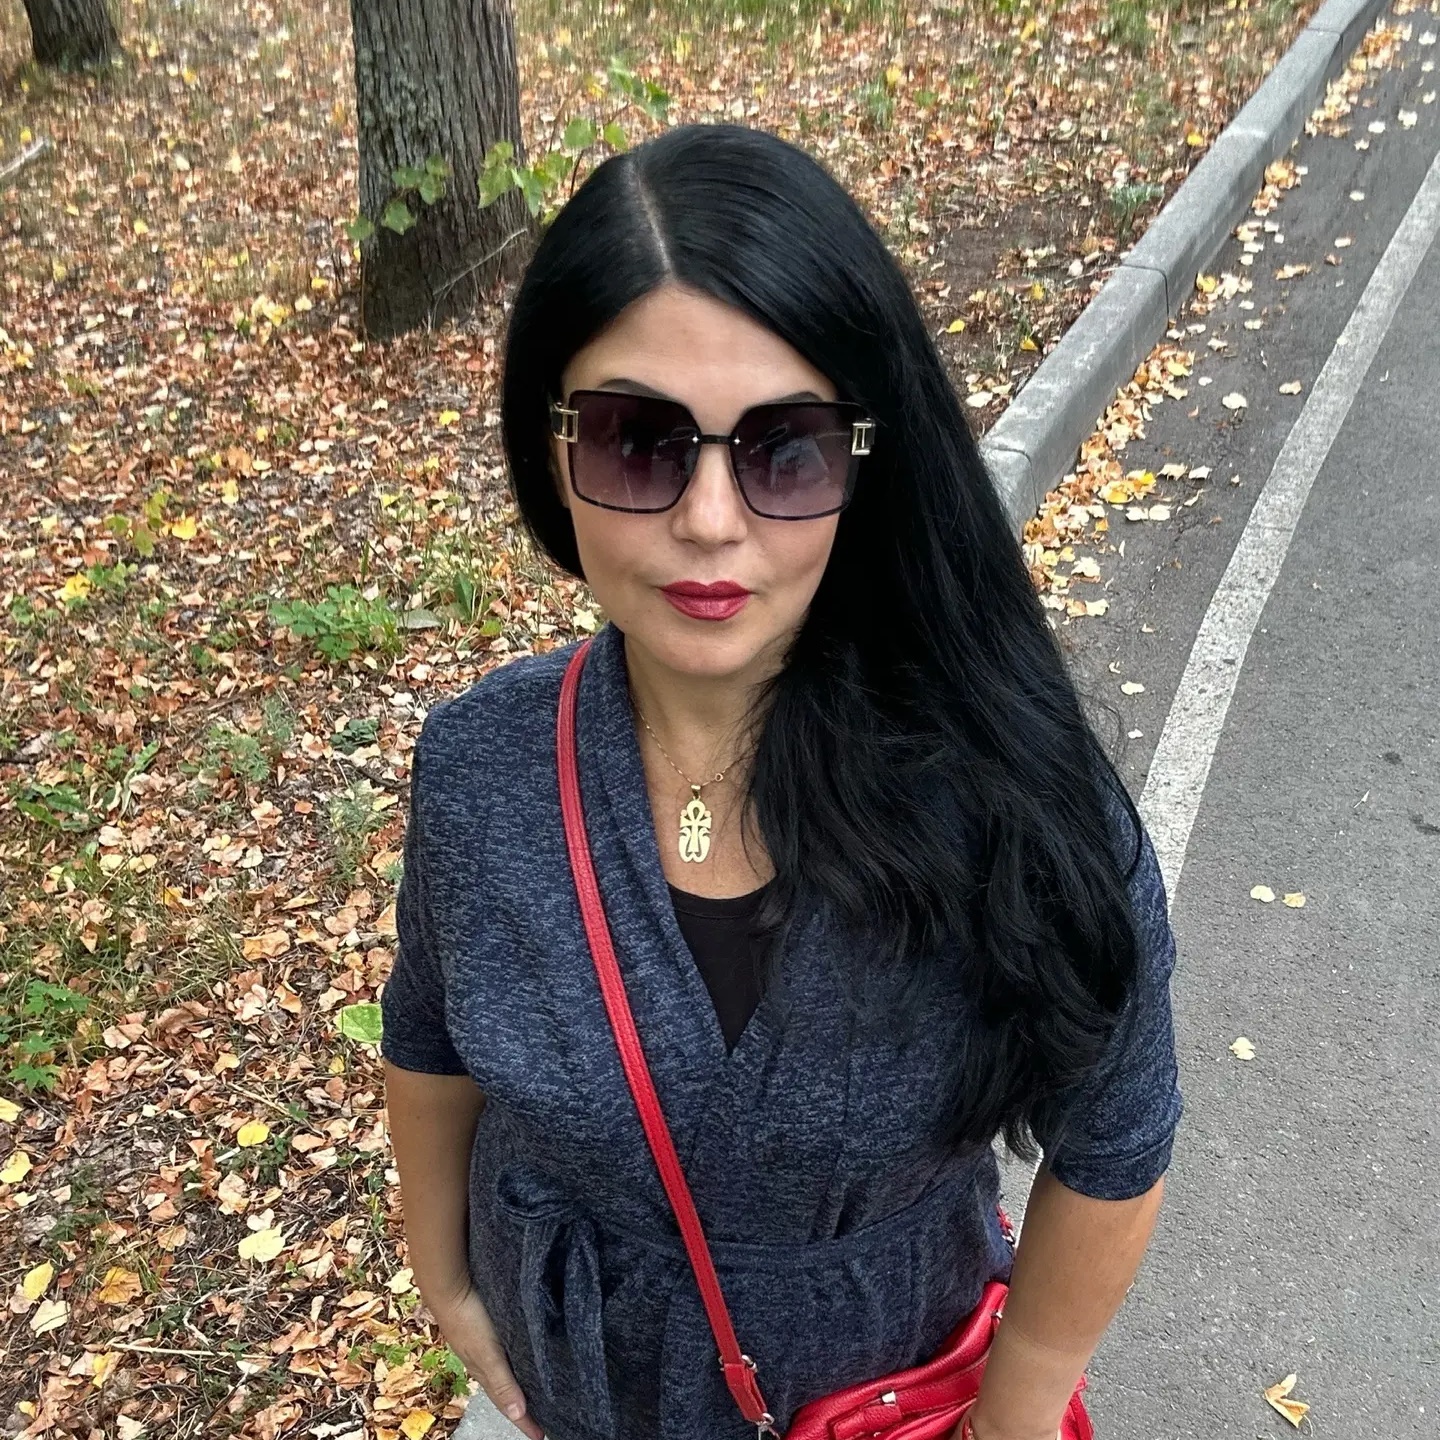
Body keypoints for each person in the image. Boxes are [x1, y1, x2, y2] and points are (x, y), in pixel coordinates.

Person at [380, 122, 1183, 1440]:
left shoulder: (1005, 791)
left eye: (786, 448)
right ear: (551, 453)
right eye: (637, 441)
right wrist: (447, 1279)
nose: (709, 520)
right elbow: (430, 1037)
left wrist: (1017, 1411)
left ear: (867, 461)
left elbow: (1119, 1127)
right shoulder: (481, 768)